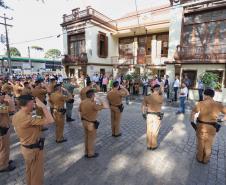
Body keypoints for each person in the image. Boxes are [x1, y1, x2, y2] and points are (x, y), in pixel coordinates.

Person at [12, 95, 54, 185]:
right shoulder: (26, 117)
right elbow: (50, 120)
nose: (34, 104)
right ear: (28, 103)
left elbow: (38, 119)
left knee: (30, 171)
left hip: (27, 148)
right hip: (33, 150)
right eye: (33, 103)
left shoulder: (19, 114)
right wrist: (43, 107)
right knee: (37, 174)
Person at [190, 89, 226, 164]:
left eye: (204, 94)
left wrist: (192, 122)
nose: (203, 96)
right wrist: (222, 120)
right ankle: (206, 159)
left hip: (201, 127)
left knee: (200, 143)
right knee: (209, 144)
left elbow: (193, 112)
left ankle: (200, 158)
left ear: (206, 95)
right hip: (212, 128)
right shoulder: (218, 104)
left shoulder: (201, 103)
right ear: (212, 96)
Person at [79, 89, 104, 158]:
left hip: (84, 121)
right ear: (93, 95)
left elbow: (80, 111)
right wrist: (101, 101)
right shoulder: (93, 104)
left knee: (86, 137)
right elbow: (102, 107)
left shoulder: (82, 102)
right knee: (91, 139)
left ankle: (86, 151)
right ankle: (90, 153)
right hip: (91, 123)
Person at [142, 84, 164, 150]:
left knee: (149, 130)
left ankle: (148, 145)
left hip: (149, 115)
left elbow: (143, 106)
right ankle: (153, 146)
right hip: (157, 115)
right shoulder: (161, 97)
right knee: (155, 131)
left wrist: (143, 114)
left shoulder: (147, 97)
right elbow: (161, 94)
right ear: (158, 89)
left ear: (153, 89)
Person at [0, 92, 16, 173]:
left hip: (3, 128)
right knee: (4, 148)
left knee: (3, 148)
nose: (3, 98)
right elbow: (10, 109)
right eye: (2, 96)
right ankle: (3, 165)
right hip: (2, 130)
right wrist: (9, 100)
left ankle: (4, 160)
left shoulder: (1, 104)